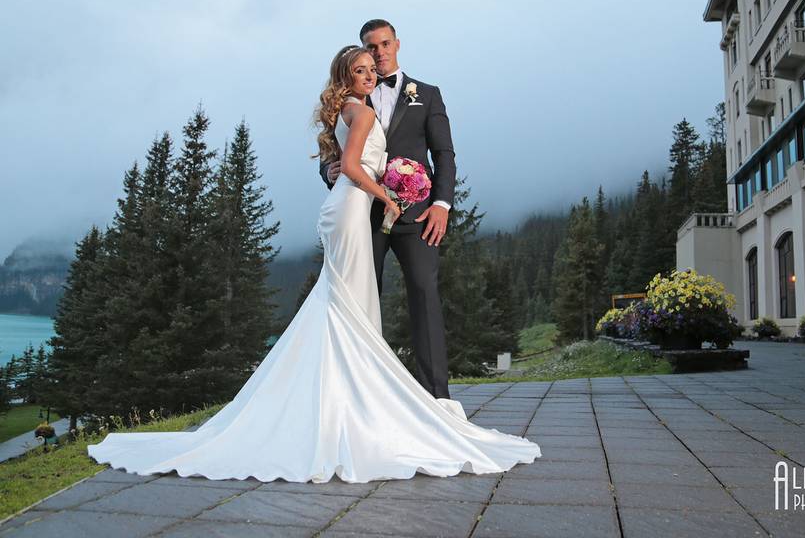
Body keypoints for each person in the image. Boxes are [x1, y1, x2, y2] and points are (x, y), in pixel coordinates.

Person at [86, 45, 541, 484]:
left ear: (394, 46)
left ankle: (354, 397)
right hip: (355, 208)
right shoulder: (359, 109)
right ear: (347, 75)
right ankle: (351, 403)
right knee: (351, 303)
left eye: (373, 63)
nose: (370, 72)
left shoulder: (390, 99)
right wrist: (385, 192)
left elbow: (438, 151)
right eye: (360, 67)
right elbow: (344, 164)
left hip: (367, 208)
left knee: (346, 300)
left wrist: (426, 195)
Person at [320, 19, 453, 399]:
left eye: (384, 44)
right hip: (364, 213)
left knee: (425, 293)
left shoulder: (426, 94)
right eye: (370, 47)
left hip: (418, 216)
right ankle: (360, 393)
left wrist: (441, 204)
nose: (378, 53)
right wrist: (330, 171)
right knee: (358, 297)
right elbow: (336, 152)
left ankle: (437, 398)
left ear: (397, 44)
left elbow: (444, 154)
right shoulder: (353, 98)